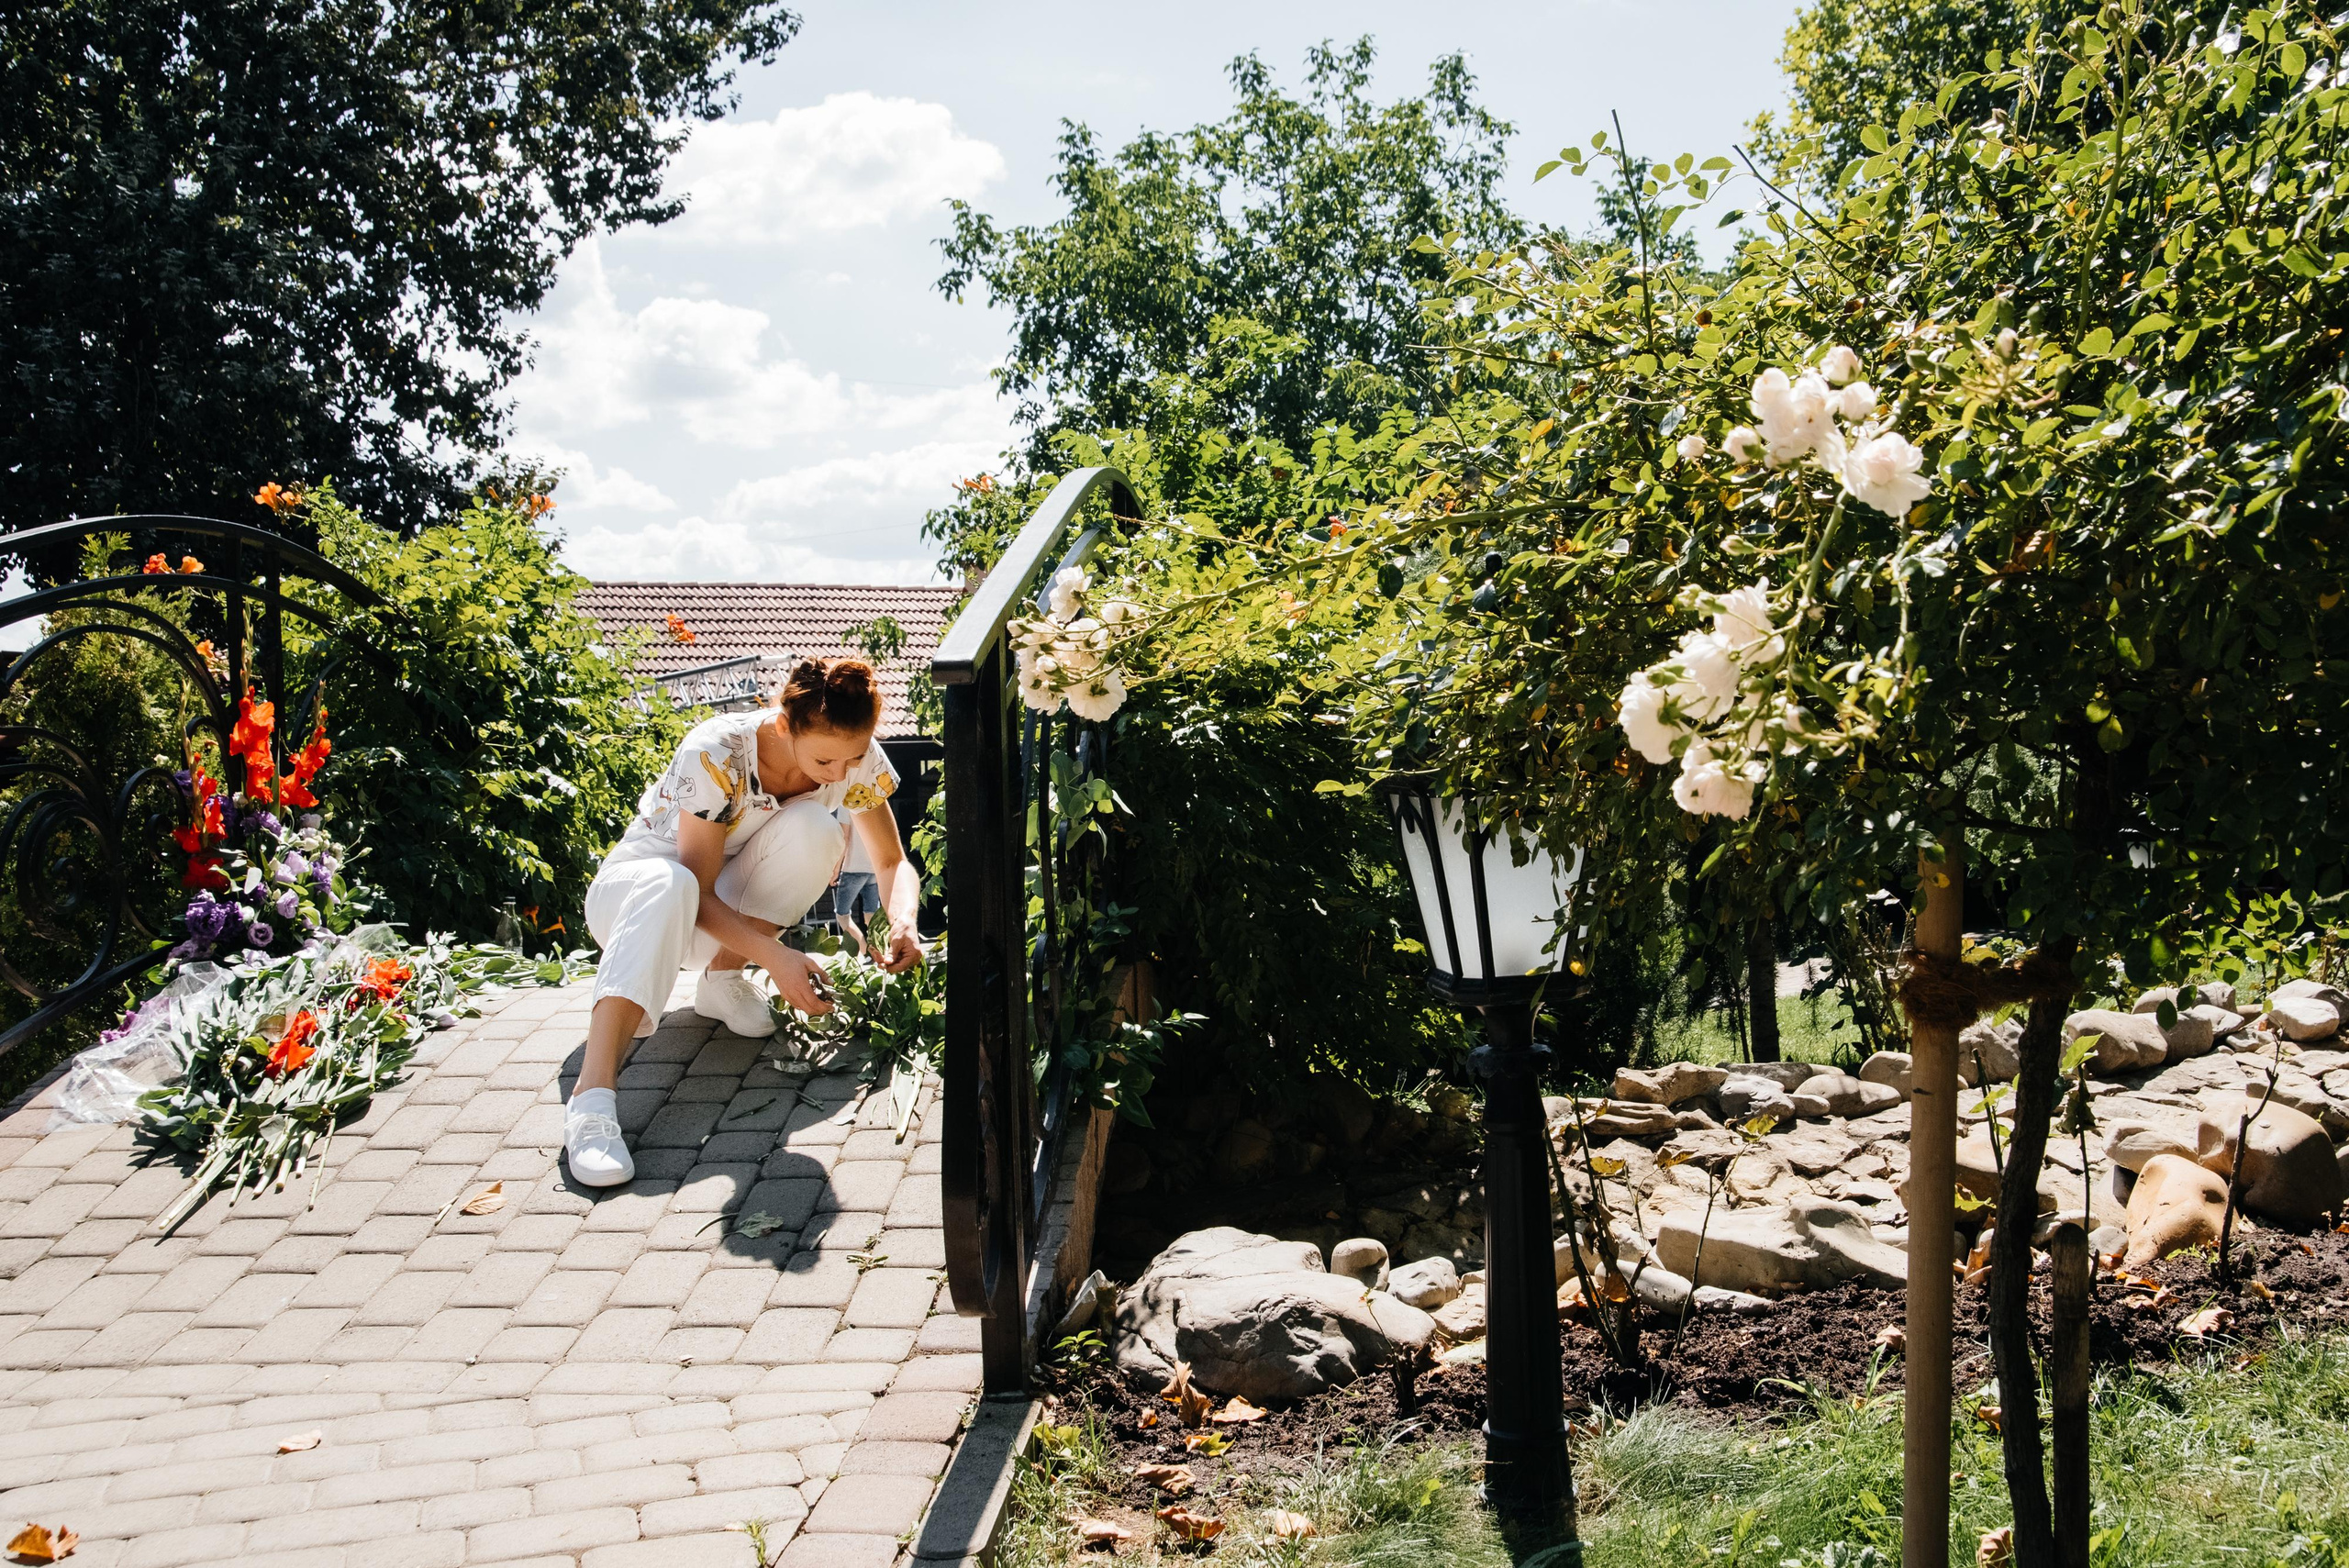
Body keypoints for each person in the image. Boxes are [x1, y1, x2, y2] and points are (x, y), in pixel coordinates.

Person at [563, 658, 923, 1186]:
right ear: (784, 726)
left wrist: (904, 921)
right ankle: (591, 1104)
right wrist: (776, 957)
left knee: (818, 831)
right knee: (673, 883)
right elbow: (698, 890)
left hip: (713, 912)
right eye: (826, 760)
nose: (841, 774)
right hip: (635, 902)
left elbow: (891, 863)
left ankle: (720, 981)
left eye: (852, 759)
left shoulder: (855, 758)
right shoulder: (716, 751)